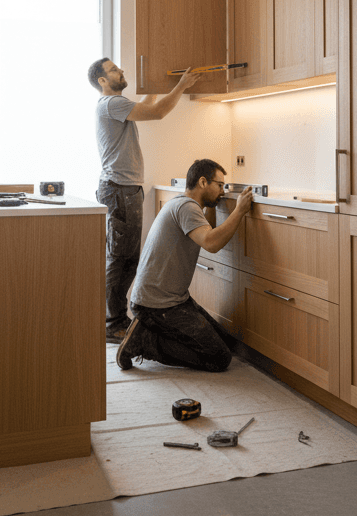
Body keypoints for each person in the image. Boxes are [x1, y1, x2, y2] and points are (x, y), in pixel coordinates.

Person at [88, 58, 198, 343]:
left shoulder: (115, 106)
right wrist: (181, 86)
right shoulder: (111, 104)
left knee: (126, 258)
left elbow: (148, 106)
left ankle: (115, 319)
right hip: (120, 190)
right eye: (113, 70)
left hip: (123, 189)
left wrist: (156, 85)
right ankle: (112, 323)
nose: (121, 71)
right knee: (120, 258)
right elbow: (157, 113)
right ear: (102, 80)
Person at [117, 158, 253, 372]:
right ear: (202, 182)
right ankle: (145, 342)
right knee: (219, 358)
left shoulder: (180, 202)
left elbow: (206, 231)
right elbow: (211, 243)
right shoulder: (187, 207)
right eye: (219, 185)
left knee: (226, 343)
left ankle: (151, 332)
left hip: (170, 300)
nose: (222, 191)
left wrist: (214, 206)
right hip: (157, 305)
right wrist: (239, 210)